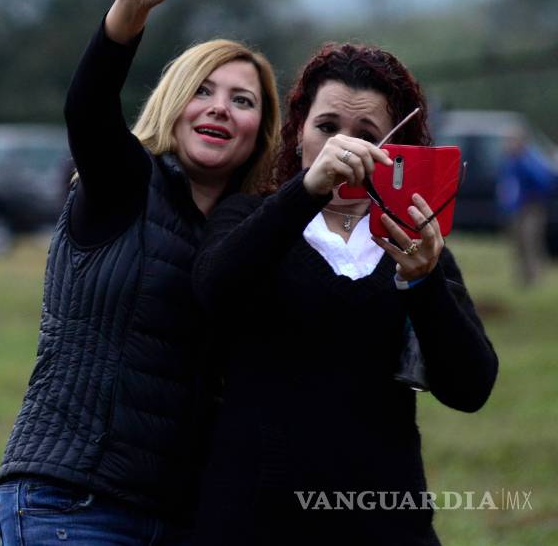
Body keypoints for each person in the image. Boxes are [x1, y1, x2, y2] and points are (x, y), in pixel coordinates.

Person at [0, 0, 281, 545]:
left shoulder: (251, 236)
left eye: (242, 100)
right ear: (173, 102)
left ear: (261, 131)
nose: (220, 108)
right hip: (74, 502)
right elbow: (88, 108)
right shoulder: (125, 181)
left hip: (185, 516)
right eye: (202, 91)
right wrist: (131, 8)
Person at [193, 43, 499, 545]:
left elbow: (471, 387)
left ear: (394, 150)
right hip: (253, 519)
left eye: (366, 135)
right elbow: (214, 289)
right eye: (328, 127)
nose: (345, 146)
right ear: (298, 134)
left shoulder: (415, 245)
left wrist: (423, 284)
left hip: (385, 521)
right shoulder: (249, 217)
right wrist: (306, 191)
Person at [497, 126, 555, 287]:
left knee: (531, 241)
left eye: (511, 141)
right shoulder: (510, 160)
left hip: (531, 208)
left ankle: (535, 278)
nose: (507, 144)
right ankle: (522, 277)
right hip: (515, 209)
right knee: (518, 243)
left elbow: (544, 180)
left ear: (521, 142)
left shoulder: (530, 159)